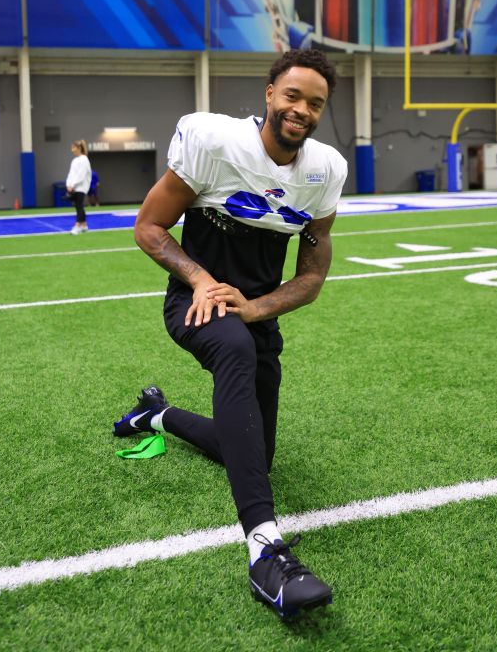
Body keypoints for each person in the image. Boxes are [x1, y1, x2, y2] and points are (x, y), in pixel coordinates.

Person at [116, 49, 346, 620]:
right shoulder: (215, 142)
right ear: (269, 93)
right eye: (293, 95)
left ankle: (157, 415)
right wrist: (199, 279)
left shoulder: (324, 172)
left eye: (315, 103)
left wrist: (254, 309)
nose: (302, 110)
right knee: (236, 354)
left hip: (252, 314)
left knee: (252, 453)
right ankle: (264, 552)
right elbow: (149, 226)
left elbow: (312, 276)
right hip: (195, 304)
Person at [65, 140, 92, 234]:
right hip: (74, 187)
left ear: (79, 148)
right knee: (78, 206)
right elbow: (71, 174)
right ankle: (84, 225)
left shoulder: (84, 159)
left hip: (81, 187)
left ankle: (78, 226)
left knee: (79, 205)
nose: (72, 150)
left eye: (74, 148)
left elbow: (82, 175)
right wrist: (68, 184)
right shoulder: (74, 160)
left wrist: (73, 185)